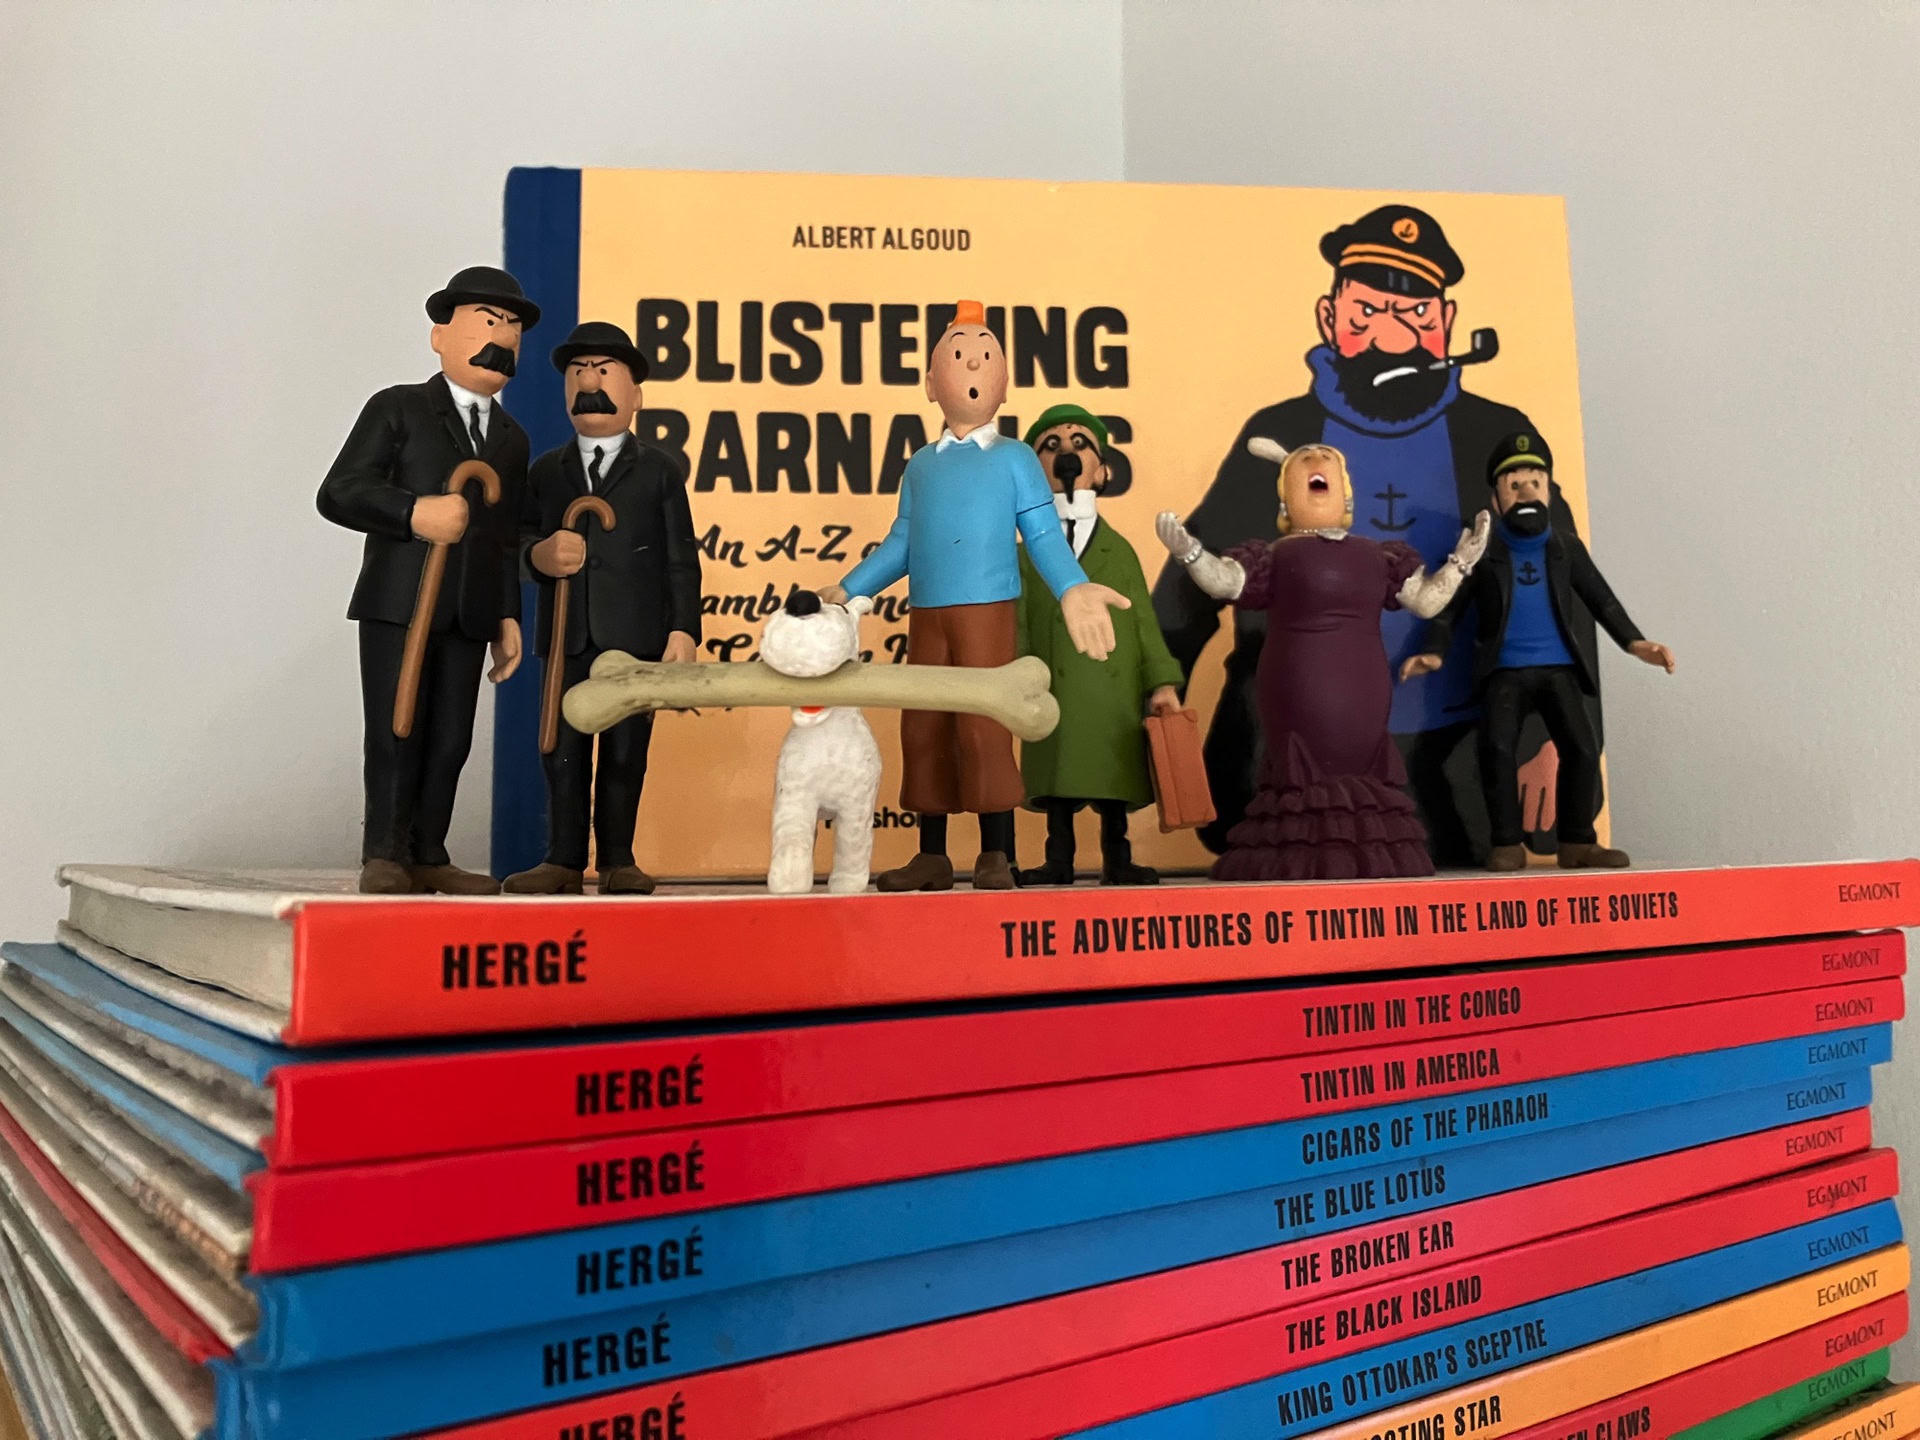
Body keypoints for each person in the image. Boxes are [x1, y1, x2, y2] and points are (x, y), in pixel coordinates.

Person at [1151, 204, 1587, 866]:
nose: (1391, 335)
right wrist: (1159, 695)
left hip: (1465, 757)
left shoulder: (1499, 437)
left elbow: (1561, 591)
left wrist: (1560, 738)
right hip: (1285, 749)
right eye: (1367, 312)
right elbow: (1191, 590)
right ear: (1329, 317)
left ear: (1447, 324)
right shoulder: (1280, 432)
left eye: (1414, 314)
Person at [822, 302, 1131, 892]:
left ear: (1004, 382)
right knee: (924, 725)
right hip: (927, 615)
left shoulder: (1016, 459)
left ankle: (995, 852)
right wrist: (850, 588)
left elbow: (1042, 533)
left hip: (988, 612)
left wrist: (1071, 587)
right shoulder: (921, 466)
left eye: (985, 355)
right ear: (930, 385)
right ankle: (931, 853)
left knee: (985, 723)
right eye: (959, 355)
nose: (972, 363)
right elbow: (902, 541)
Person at [1158, 441, 1487, 880]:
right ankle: (1299, 859)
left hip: (1364, 689)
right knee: (1302, 766)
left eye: (1327, 459)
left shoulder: (1380, 556)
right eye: (1302, 463)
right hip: (1295, 685)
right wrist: (1190, 553)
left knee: (1356, 759)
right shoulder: (1273, 555)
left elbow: (1426, 602)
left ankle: (1362, 857)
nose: (1316, 458)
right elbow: (1225, 583)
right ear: (1284, 502)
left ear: (1347, 495)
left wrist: (1460, 564)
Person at [318, 266, 536, 895]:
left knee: (450, 737)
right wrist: (413, 513)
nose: (502, 338)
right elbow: (340, 491)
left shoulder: (512, 440)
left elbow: (505, 536)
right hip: (402, 603)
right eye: (487, 322)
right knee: (397, 725)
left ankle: (429, 851)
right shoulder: (399, 408)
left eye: (512, 327)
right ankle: (386, 850)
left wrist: (507, 613)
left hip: (468, 609)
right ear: (440, 336)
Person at [1402, 433, 1674, 871]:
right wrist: (1435, 653)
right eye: (1514, 486)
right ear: (1496, 499)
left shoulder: (1566, 548)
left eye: (1535, 483)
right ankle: (1506, 842)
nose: (1527, 493)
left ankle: (1578, 841)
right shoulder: (1482, 554)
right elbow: (1450, 610)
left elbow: (1602, 601)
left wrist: (1635, 643)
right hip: (1504, 671)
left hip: (1559, 669)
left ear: (1548, 490)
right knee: (1496, 749)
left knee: (1582, 748)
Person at [503, 322, 703, 896]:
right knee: (562, 750)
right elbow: (514, 543)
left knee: (625, 752)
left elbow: (680, 558)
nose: (589, 384)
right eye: (578, 373)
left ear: (635, 394)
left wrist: (683, 629)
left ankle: (618, 858)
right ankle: (563, 859)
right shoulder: (547, 471)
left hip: (635, 637)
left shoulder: (660, 470)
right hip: (567, 635)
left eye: (604, 371)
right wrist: (539, 555)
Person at [1014, 404, 1184, 887]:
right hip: (1052, 685)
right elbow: (1018, 621)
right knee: (1059, 781)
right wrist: (1015, 677)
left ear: (1102, 470)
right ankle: (1058, 859)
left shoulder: (1120, 551)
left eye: (1080, 444)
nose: (1066, 454)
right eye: (1050, 446)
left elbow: (1143, 622)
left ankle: (1118, 856)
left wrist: (1161, 682)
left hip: (1112, 690)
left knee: (1112, 777)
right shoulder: (1023, 555)